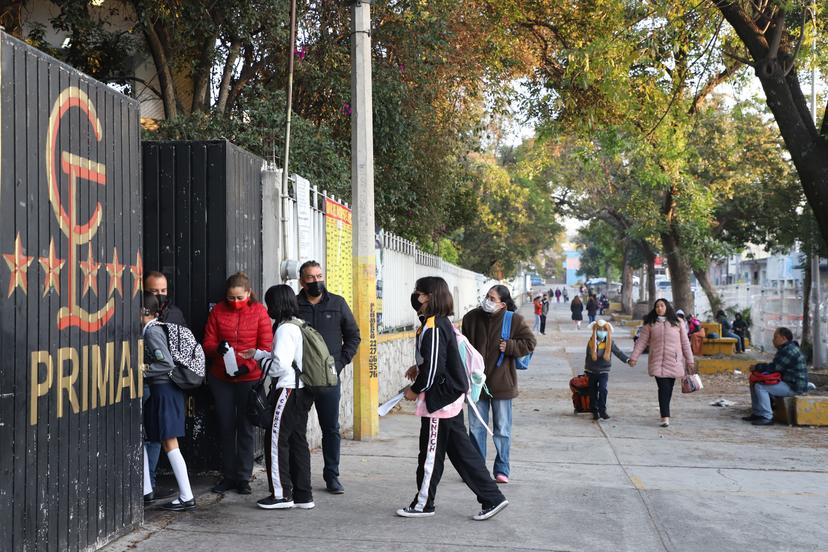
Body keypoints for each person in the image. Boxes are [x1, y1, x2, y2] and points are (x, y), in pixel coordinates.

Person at [398, 277, 509, 521]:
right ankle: (493, 498)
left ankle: (423, 504)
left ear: (427, 297)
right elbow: (436, 360)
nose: (415, 296)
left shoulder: (435, 326)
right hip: (447, 398)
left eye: (418, 292)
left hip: (440, 400)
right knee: (461, 453)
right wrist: (419, 368)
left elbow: (435, 368)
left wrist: (416, 389)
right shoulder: (434, 324)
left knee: (429, 455)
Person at [241, 285, 316, 509]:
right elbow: (289, 359)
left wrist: (262, 361)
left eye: (269, 303)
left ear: (276, 304)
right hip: (302, 390)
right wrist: (258, 354)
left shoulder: (284, 329)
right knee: (297, 441)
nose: (267, 307)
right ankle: (303, 495)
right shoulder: (299, 324)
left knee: (275, 441)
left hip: (288, 390)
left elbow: (279, 366)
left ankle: (281, 495)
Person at [203, 272, 273, 495]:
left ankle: (243, 476)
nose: (235, 303)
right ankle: (228, 475)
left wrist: (249, 366)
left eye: (239, 298)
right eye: (231, 298)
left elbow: (266, 347)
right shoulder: (218, 311)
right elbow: (207, 342)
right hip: (221, 376)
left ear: (249, 293)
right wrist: (217, 349)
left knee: (245, 427)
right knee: (225, 426)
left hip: (248, 377)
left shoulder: (259, 311)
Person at [296, 260, 361, 494]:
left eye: (319, 276)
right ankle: (299, 477)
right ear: (302, 281)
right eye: (311, 278)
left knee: (330, 429)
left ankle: (332, 476)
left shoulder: (337, 303)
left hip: (328, 379)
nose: (316, 281)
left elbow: (353, 336)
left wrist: (340, 363)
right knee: (296, 429)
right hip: (300, 379)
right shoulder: (294, 305)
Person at [461, 285, 536, 483]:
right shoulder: (471, 318)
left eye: (492, 298)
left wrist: (510, 346)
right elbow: (463, 349)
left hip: (503, 384)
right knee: (476, 428)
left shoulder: (513, 320)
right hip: (476, 385)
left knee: (502, 429)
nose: (487, 300)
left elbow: (530, 343)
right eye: (487, 296)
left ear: (502, 304)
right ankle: (477, 469)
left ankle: (502, 468)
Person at [141, 292, 195, 511]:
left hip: (164, 390)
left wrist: (143, 370)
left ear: (144, 312)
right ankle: (147, 489)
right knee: (160, 440)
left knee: (170, 443)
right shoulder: (157, 328)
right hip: (164, 391)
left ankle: (186, 495)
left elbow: (166, 364)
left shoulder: (152, 332)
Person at [629, 298, 695, 427]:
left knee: (668, 389)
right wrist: (634, 357)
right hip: (657, 361)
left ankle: (665, 411)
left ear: (667, 307)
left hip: (674, 361)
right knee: (663, 388)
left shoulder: (678, 322)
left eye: (662, 306)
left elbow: (685, 343)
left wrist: (690, 361)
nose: (659, 308)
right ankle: (665, 416)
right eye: (657, 306)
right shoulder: (650, 324)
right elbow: (641, 342)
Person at [742, 327, 808, 426]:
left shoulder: (789, 350)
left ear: (784, 338)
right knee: (755, 382)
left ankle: (767, 416)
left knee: (760, 386)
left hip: (794, 387)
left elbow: (775, 368)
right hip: (787, 382)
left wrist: (757, 367)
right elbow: (775, 367)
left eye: (775, 337)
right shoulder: (786, 348)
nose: (773, 340)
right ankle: (758, 413)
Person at [584, 320, 630, 420]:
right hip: (591, 371)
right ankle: (594, 410)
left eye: (604, 330)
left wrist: (627, 360)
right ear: (595, 330)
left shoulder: (610, 342)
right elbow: (588, 356)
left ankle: (602, 410)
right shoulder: (591, 342)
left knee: (603, 389)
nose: (601, 332)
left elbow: (618, 352)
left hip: (604, 371)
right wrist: (586, 370)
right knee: (592, 391)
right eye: (599, 330)